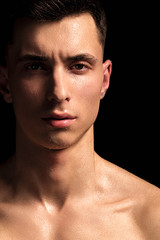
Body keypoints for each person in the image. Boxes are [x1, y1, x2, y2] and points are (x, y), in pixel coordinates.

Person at [0, 0, 159, 239]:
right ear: (5, 82)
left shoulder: (151, 216)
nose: (58, 92)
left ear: (104, 80)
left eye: (78, 66)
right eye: (35, 66)